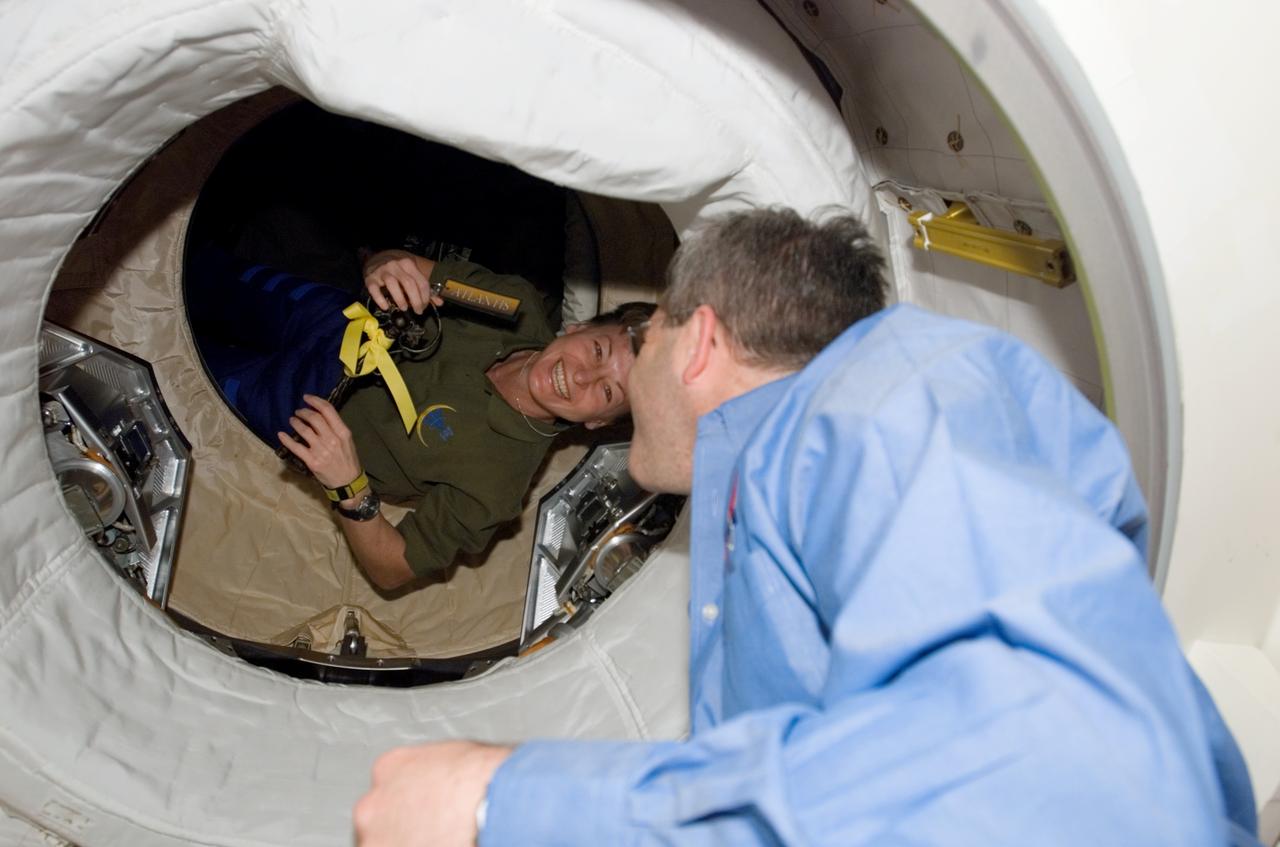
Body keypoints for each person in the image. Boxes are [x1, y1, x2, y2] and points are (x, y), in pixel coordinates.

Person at [351, 208, 1259, 846]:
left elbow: (1055, 777)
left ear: (694, 339)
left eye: (638, 354)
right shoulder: (764, 503)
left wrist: (504, 806)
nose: (612, 392)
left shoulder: (886, 412)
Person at [188, 246, 654, 591]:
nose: (581, 376)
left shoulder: (495, 487)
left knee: (193, 373)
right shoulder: (510, 305)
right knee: (200, 282)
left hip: (294, 410)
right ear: (579, 327)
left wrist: (350, 488)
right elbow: (403, 266)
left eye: (607, 392)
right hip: (321, 316)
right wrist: (383, 268)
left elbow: (391, 570)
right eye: (597, 351)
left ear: (597, 424)